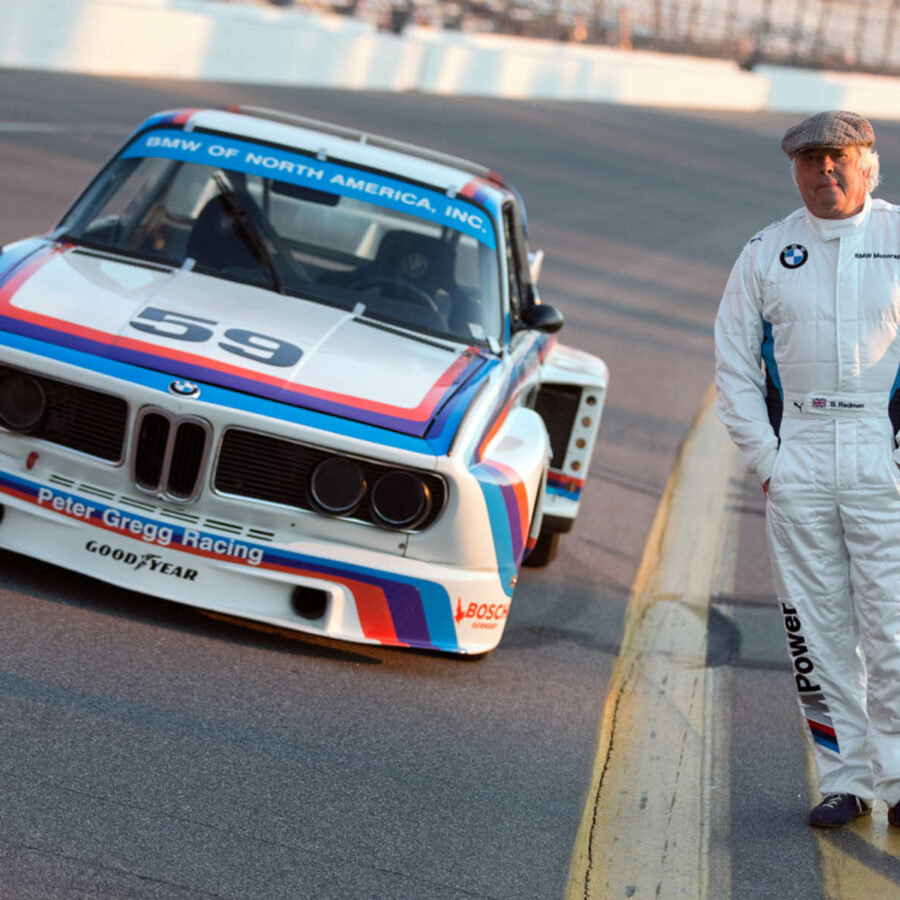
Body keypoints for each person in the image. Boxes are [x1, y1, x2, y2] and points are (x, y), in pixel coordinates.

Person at [714, 110, 900, 828]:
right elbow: (732, 365)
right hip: (801, 452)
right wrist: (766, 458)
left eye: (839, 158)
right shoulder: (765, 251)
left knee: (890, 630)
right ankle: (846, 781)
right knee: (815, 629)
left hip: (880, 453)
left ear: (869, 165)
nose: (826, 172)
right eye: (811, 160)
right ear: (793, 170)